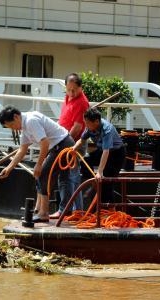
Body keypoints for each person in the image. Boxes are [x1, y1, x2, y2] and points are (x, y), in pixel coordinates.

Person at [0, 106, 74, 222]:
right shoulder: (24, 126)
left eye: (12, 125)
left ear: (16, 117)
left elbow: (45, 143)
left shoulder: (30, 121)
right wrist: (9, 168)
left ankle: (43, 213)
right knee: (40, 175)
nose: (13, 129)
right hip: (57, 146)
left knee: (43, 174)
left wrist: (38, 165)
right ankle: (38, 211)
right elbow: (22, 150)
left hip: (63, 145)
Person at [50, 73, 90, 219]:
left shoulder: (82, 102)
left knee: (70, 177)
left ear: (80, 88)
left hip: (74, 143)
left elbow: (78, 127)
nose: (71, 93)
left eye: (74, 90)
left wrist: (64, 142)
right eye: (69, 90)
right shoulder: (68, 98)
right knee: (68, 177)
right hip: (65, 140)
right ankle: (75, 210)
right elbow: (64, 119)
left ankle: (73, 210)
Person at [72, 107, 125, 205]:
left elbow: (106, 151)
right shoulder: (89, 127)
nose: (86, 125)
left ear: (96, 121)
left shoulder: (106, 129)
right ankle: (94, 184)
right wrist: (73, 148)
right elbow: (82, 140)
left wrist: (100, 172)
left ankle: (109, 209)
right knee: (85, 161)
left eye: (87, 123)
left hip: (116, 154)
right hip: (102, 150)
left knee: (107, 181)